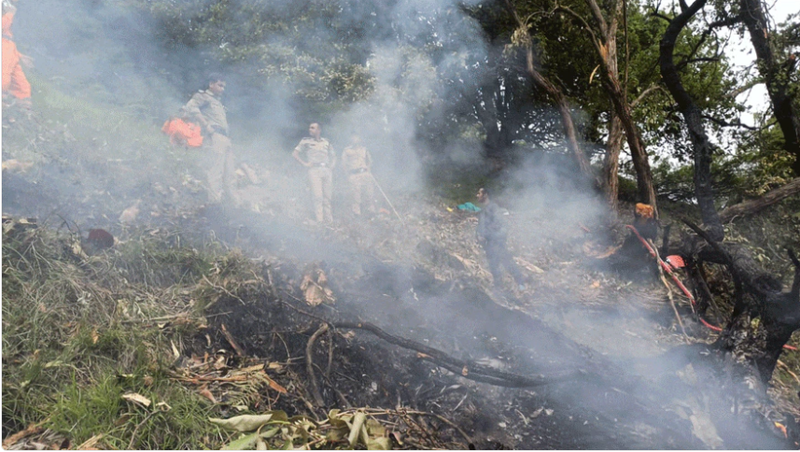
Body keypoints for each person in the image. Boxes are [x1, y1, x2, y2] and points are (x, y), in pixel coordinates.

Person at [181, 73, 234, 203]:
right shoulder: (203, 96)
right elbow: (190, 107)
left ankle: (233, 205)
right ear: (211, 84)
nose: (222, 89)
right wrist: (206, 126)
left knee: (230, 173)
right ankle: (214, 204)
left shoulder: (217, 101)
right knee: (216, 171)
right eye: (220, 85)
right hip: (215, 136)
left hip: (225, 138)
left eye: (224, 86)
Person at [475, 187, 526, 290]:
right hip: (489, 244)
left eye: (479, 193)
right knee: (494, 267)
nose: (477, 195)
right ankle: (499, 289)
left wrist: (489, 236)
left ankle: (521, 284)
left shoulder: (493, 208)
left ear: (486, 195)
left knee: (507, 263)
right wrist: (479, 236)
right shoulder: (483, 211)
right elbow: (481, 227)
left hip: (496, 242)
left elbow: (499, 225)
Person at [293, 122, 335, 223]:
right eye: (310, 128)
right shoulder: (305, 141)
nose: (310, 130)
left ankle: (329, 220)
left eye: (313, 128)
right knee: (318, 196)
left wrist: (332, 166)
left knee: (327, 196)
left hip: (326, 170)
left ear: (318, 130)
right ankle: (320, 221)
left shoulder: (326, 142)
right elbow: (294, 154)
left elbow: (333, 155)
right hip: (314, 170)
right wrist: (305, 164)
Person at [2, 0, 31, 107]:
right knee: (3, 78)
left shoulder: (14, 11)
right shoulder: (6, 9)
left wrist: (19, 55)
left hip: (10, 47)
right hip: (4, 44)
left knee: (23, 87)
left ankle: (23, 108)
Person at [340, 133, 376, 217]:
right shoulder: (347, 150)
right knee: (356, 194)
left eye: (356, 137)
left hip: (365, 173)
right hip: (354, 174)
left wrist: (368, 170)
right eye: (353, 137)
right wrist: (347, 175)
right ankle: (357, 212)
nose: (354, 139)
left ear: (360, 139)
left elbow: (370, 161)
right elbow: (343, 164)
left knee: (369, 192)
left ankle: (371, 210)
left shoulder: (364, 149)